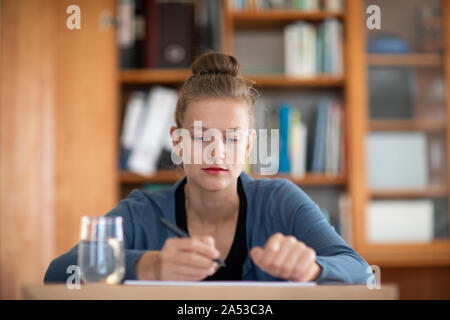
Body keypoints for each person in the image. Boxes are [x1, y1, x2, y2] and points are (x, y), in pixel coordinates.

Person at [44, 51, 369, 284]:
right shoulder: (141, 211)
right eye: (201, 137)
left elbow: (360, 269)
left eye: (231, 138)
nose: (216, 153)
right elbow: (60, 273)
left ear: (248, 145)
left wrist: (312, 269)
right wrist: (150, 266)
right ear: (177, 141)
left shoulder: (280, 200)